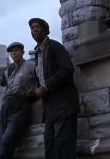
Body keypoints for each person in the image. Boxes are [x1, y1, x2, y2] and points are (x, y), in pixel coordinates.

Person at [29, 18, 80, 159]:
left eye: (37, 27)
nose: (34, 30)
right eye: (32, 28)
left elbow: (67, 69)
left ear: (46, 30)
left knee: (64, 146)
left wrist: (46, 86)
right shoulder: (38, 54)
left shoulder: (54, 46)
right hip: (50, 108)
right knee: (50, 146)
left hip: (64, 105)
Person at [0, 42, 38, 159]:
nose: (14, 53)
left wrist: (35, 92)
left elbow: (40, 81)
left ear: (22, 52)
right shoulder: (7, 70)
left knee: (7, 141)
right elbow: (3, 93)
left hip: (21, 106)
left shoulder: (31, 66)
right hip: (7, 107)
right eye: (11, 51)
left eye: (17, 50)